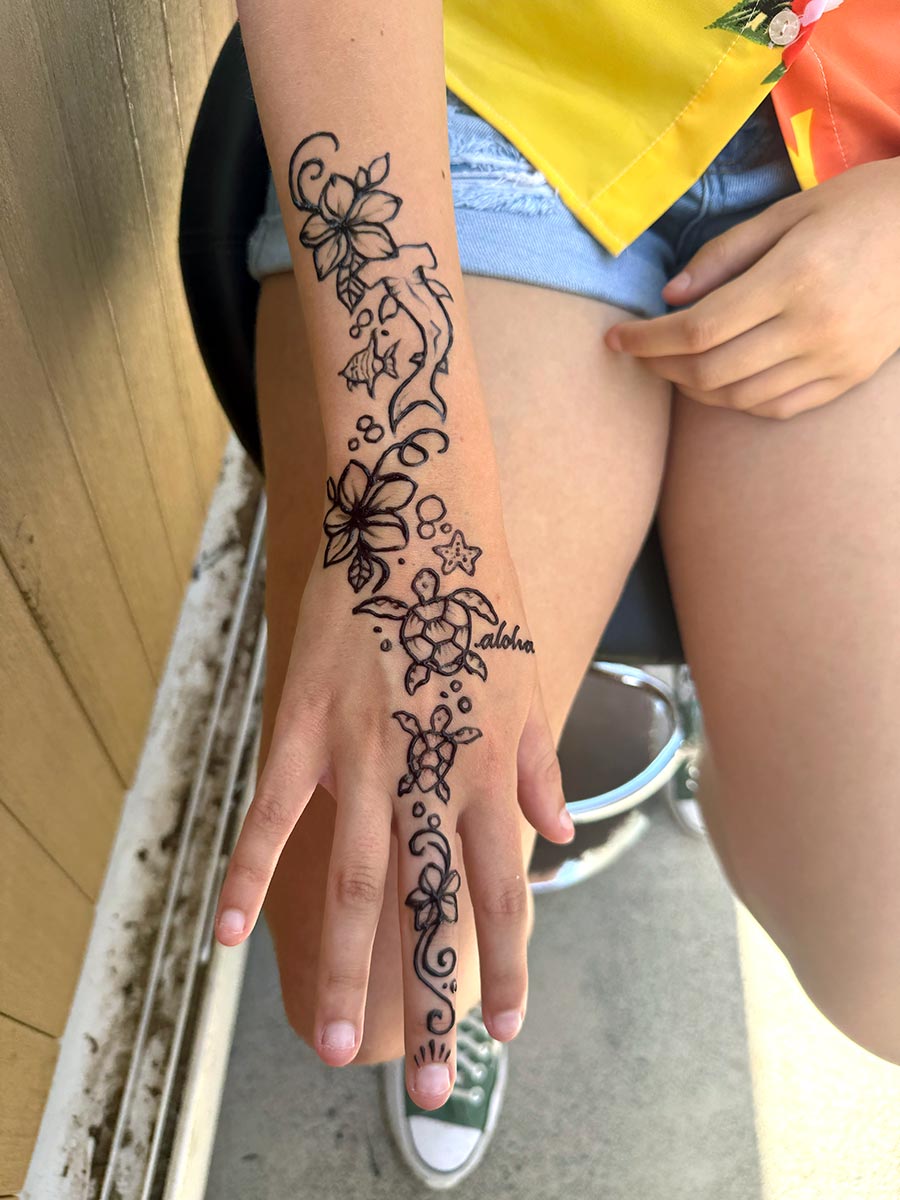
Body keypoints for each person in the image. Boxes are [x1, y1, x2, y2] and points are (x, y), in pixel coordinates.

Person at [214, 0, 900, 1188]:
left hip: (867, 151)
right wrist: (408, 479)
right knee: (386, 987)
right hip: (505, 80)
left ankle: (720, 746)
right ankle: (520, 905)